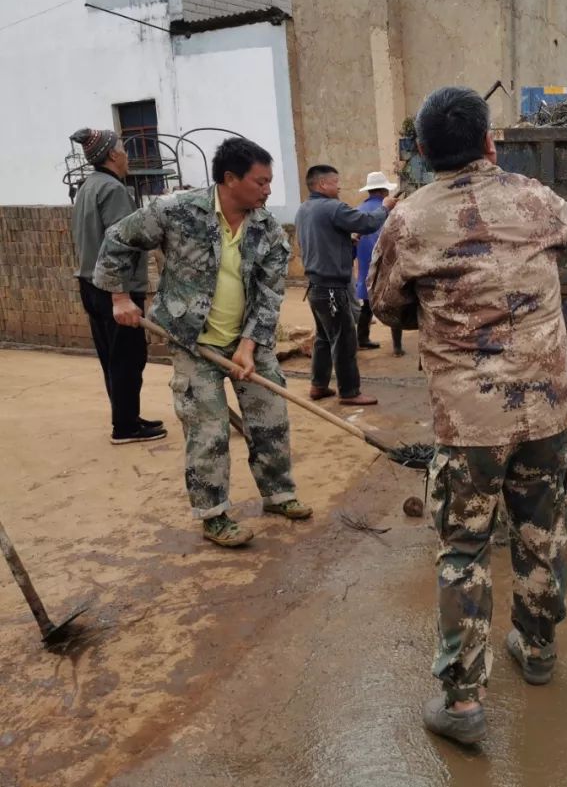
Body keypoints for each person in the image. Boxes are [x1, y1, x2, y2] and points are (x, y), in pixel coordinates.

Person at [369, 86, 567, 744]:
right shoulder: (534, 199)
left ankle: (463, 703)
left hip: (471, 426)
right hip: (549, 410)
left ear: (421, 153)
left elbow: (383, 304)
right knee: (541, 531)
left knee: (464, 550)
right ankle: (537, 648)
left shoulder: (408, 220)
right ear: (490, 142)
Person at [94, 137, 312, 548]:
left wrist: (248, 347)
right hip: (192, 342)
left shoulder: (267, 230)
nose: (268, 190)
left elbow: (269, 294)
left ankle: (279, 494)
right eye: (261, 181)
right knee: (207, 430)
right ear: (230, 179)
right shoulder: (176, 211)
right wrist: (119, 296)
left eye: (269, 182)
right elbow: (119, 238)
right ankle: (213, 514)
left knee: (270, 418)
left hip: (247, 339)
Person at [70, 127, 166, 445]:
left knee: (112, 357)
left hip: (89, 283)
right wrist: (121, 296)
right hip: (114, 289)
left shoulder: (87, 187)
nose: (127, 155)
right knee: (128, 356)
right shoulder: (113, 190)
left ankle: (126, 417)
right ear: (112, 155)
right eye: (123, 149)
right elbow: (120, 243)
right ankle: (125, 427)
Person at [295, 165, 394, 405]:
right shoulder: (333, 208)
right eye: (335, 182)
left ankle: (318, 385)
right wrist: (386, 208)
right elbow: (368, 223)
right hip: (331, 288)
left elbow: (324, 238)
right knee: (345, 338)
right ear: (321, 185)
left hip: (316, 286)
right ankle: (349, 391)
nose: (339, 186)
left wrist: (347, 240)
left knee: (324, 337)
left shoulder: (305, 209)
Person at [354, 171, 404, 356]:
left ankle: (362, 339)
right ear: (384, 191)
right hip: (387, 264)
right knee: (393, 304)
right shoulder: (390, 210)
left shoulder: (358, 210)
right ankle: (397, 347)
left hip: (365, 266)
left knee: (366, 304)